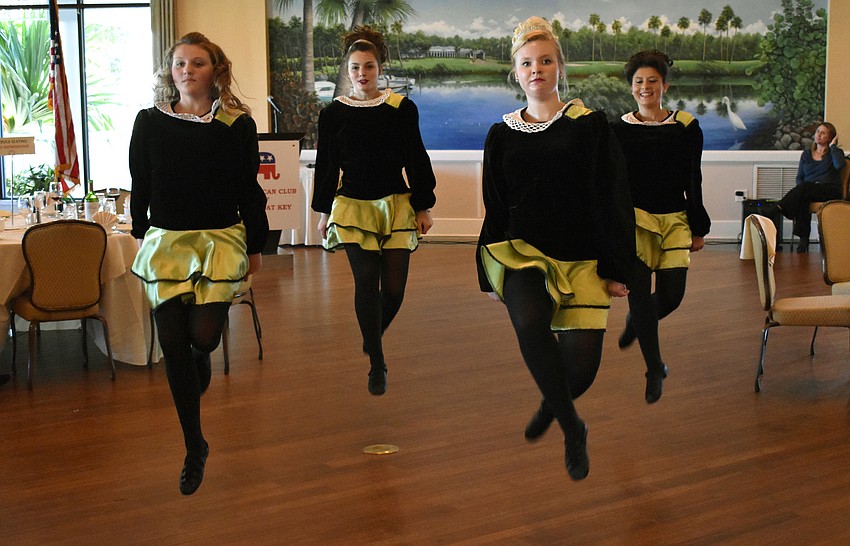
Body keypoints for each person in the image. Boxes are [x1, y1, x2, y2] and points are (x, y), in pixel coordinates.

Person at [476, 16, 635, 481]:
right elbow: (495, 203)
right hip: (521, 252)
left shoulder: (591, 126)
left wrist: (617, 266)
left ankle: (554, 404)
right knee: (529, 322)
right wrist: (488, 273)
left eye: (545, 61)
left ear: (560, 67)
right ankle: (572, 428)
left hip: (583, 256)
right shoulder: (501, 133)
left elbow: (613, 197)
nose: (536, 70)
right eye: (527, 63)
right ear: (516, 72)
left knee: (581, 371)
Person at [129, 32, 268, 495]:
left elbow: (249, 189)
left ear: (215, 70)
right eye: (179, 63)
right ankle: (194, 447)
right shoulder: (148, 121)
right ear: (170, 71)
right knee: (172, 344)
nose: (187, 70)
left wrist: (256, 244)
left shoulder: (235, 124)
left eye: (197, 63)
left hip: (219, 239)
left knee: (203, 338)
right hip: (166, 241)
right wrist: (140, 231)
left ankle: (199, 358)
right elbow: (140, 183)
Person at [311, 26, 436, 396]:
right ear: (347, 70)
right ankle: (377, 363)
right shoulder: (333, 113)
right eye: (355, 67)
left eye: (368, 66)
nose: (362, 73)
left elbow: (416, 157)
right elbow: (327, 167)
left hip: (396, 205)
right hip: (352, 207)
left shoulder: (401, 109)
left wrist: (423, 205)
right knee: (366, 280)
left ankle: (372, 335)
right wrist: (323, 212)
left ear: (380, 68)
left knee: (394, 291)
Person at [610, 50, 710, 404]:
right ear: (631, 87)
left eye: (652, 80)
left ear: (664, 85)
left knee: (670, 297)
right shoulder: (617, 129)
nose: (645, 87)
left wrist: (698, 227)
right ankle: (654, 368)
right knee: (640, 295)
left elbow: (693, 178)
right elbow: (611, 183)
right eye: (639, 81)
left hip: (674, 221)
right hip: (634, 222)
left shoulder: (686, 126)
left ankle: (636, 322)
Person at [771, 122, 845, 252]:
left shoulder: (836, 152)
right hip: (809, 190)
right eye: (818, 131)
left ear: (830, 137)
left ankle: (779, 207)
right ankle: (804, 239)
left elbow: (839, 165)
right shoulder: (806, 154)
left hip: (829, 189)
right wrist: (800, 190)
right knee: (803, 197)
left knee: (805, 188)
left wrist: (833, 146)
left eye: (823, 133)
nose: (819, 135)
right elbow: (799, 177)